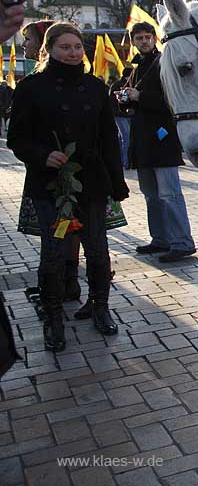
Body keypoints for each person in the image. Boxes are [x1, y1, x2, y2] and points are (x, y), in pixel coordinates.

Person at [7, 23, 129, 351]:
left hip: (91, 181)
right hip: (50, 185)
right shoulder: (32, 87)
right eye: (65, 47)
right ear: (50, 49)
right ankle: (53, 316)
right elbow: (16, 137)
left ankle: (100, 306)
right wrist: (43, 155)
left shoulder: (94, 87)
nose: (74, 52)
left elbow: (108, 140)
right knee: (54, 253)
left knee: (97, 248)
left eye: (77, 46)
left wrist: (117, 184)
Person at [121, 22, 196, 262]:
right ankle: (161, 239)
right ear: (132, 40)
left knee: (169, 194)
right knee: (151, 194)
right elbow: (133, 103)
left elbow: (174, 99)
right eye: (139, 38)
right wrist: (124, 98)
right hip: (142, 140)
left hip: (162, 138)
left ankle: (182, 241)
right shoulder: (136, 67)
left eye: (147, 37)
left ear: (155, 38)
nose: (144, 41)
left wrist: (140, 97)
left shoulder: (163, 62)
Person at [109, 66, 133, 168]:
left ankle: (121, 160)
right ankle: (126, 162)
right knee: (126, 136)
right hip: (120, 115)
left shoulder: (127, 84)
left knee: (121, 137)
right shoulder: (120, 85)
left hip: (124, 115)